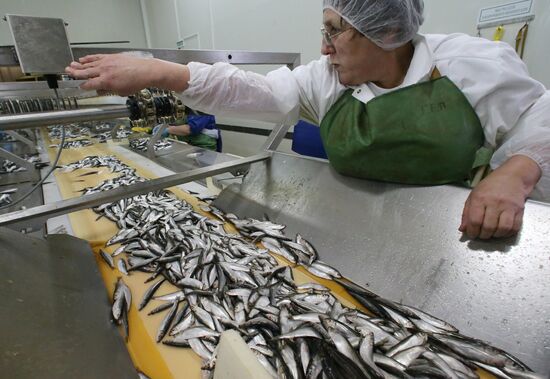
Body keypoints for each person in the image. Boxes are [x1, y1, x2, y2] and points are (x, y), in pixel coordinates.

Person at [65, 0, 549, 240]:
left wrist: (516, 169)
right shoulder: (326, 79)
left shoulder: (470, 66)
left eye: (336, 32)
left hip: (458, 229)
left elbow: (538, 115)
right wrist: (163, 72)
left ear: (386, 32)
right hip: (361, 227)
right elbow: (255, 91)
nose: (323, 47)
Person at [152, 114, 222, 152]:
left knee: (204, 175)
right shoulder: (183, 109)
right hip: (191, 146)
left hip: (205, 148)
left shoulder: (201, 110)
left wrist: (168, 130)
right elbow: (179, 124)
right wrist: (166, 127)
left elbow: (190, 129)